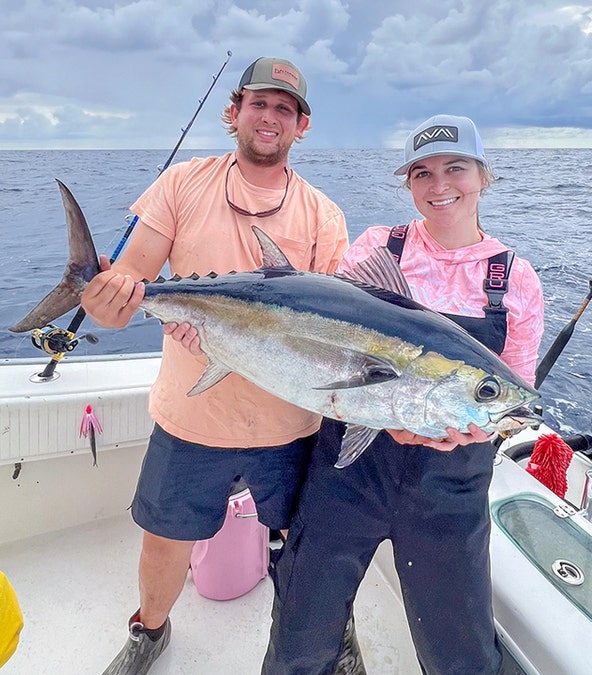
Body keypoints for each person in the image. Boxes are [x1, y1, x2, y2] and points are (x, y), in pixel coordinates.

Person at [79, 57, 349, 675]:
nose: (270, 117)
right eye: (259, 103)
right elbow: (125, 299)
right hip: (191, 415)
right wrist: (105, 295)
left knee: (307, 551)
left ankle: (332, 635)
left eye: (286, 108)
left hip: (291, 424)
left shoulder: (325, 216)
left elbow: (331, 328)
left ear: (301, 127)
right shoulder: (181, 185)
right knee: (165, 540)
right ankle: (149, 631)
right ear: (234, 112)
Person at [262, 114, 545, 674]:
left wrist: (479, 428)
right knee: (300, 635)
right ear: (408, 183)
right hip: (349, 476)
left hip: (450, 490)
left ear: (483, 177)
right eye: (422, 173)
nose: (439, 186)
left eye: (455, 168)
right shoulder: (378, 249)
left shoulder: (514, 280)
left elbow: (512, 397)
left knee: (458, 654)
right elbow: (325, 343)